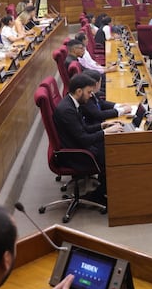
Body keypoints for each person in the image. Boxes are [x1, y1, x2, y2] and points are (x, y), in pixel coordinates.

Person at [53, 74, 123, 206]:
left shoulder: (71, 102)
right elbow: (84, 139)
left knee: (111, 144)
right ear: (79, 91)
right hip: (75, 154)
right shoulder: (67, 110)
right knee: (113, 152)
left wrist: (103, 125)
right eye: (89, 92)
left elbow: (83, 128)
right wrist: (105, 132)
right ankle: (100, 194)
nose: (91, 95)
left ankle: (104, 190)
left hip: (76, 145)